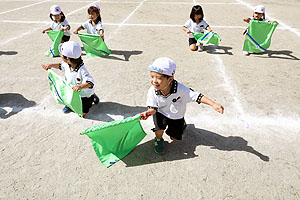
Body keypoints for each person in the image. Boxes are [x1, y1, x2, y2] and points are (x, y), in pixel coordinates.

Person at [140, 57, 224, 155]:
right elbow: (152, 108)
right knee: (159, 128)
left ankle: (182, 124)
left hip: (176, 115)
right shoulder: (152, 91)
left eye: (159, 78)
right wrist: (147, 113)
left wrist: (213, 104)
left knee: (174, 138)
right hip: (160, 112)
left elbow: (197, 96)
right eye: (152, 76)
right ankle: (158, 139)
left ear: (170, 79)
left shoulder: (181, 89)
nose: (154, 81)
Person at [41, 41, 100, 117]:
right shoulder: (66, 64)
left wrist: (80, 86)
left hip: (84, 95)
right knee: (69, 98)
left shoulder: (82, 70)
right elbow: (60, 65)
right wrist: (50, 65)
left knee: (82, 114)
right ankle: (70, 105)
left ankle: (92, 97)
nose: (60, 55)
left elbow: (90, 83)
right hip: (73, 91)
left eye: (61, 54)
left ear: (68, 58)